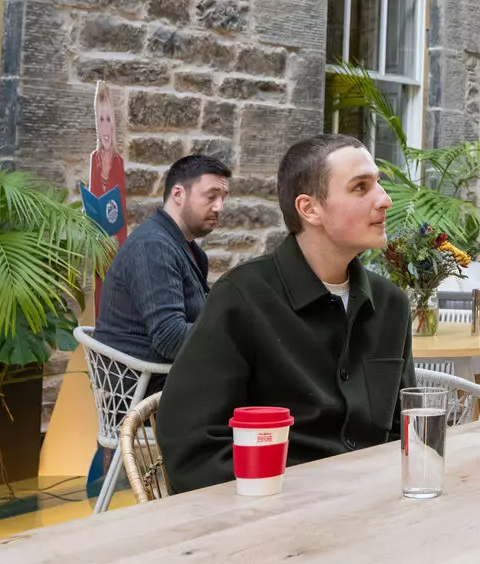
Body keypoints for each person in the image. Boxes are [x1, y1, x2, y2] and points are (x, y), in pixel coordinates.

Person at [159, 134, 416, 493]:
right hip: (272, 522)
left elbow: (402, 433)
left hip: (375, 514)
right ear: (310, 209)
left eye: (379, 185)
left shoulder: (391, 305)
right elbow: (191, 446)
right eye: (361, 187)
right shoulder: (241, 299)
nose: (385, 200)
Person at [85, 153, 228, 496]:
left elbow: (198, 323)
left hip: (164, 376)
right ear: (178, 194)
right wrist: (232, 336)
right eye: (211, 196)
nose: (220, 206)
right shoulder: (155, 247)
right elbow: (169, 339)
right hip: (144, 385)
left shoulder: (188, 250)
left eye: (224, 197)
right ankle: (216, 491)